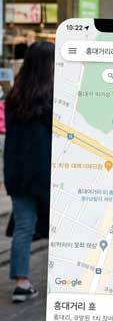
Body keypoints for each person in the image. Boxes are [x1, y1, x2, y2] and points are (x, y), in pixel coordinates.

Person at [3, 41, 54, 303]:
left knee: (24, 226)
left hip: (18, 172)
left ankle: (22, 283)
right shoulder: (53, 96)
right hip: (48, 173)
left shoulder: (14, 96)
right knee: (62, 227)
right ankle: (68, 278)